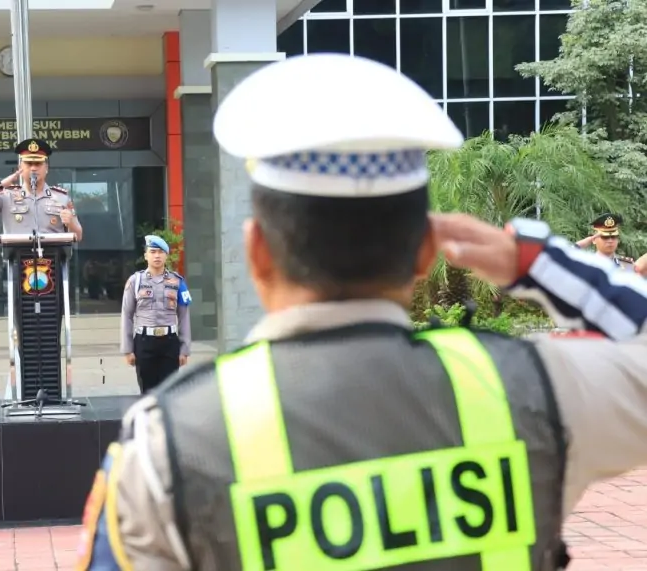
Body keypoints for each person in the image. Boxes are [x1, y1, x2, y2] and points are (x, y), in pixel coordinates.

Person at [76, 53, 647, 571]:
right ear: (427, 251)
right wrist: (533, 258)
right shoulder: (537, 390)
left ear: (256, 251)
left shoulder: (168, 443)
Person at [0, 138, 84, 241]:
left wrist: (71, 222)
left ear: (46, 168)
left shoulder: (61, 197)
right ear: (20, 168)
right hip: (18, 260)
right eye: (28, 163)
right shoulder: (8, 196)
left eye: (38, 164)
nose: (33, 168)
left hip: (53, 260)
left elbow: (78, 235)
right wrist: (0, 184)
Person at [120, 235, 192, 394]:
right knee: (147, 392)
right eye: (152, 252)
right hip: (145, 342)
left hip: (170, 342)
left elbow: (184, 316)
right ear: (146, 255)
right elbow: (127, 314)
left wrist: (184, 349)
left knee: (170, 392)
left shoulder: (177, 282)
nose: (157, 256)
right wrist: (128, 349)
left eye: (161, 252)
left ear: (167, 255)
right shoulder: (135, 281)